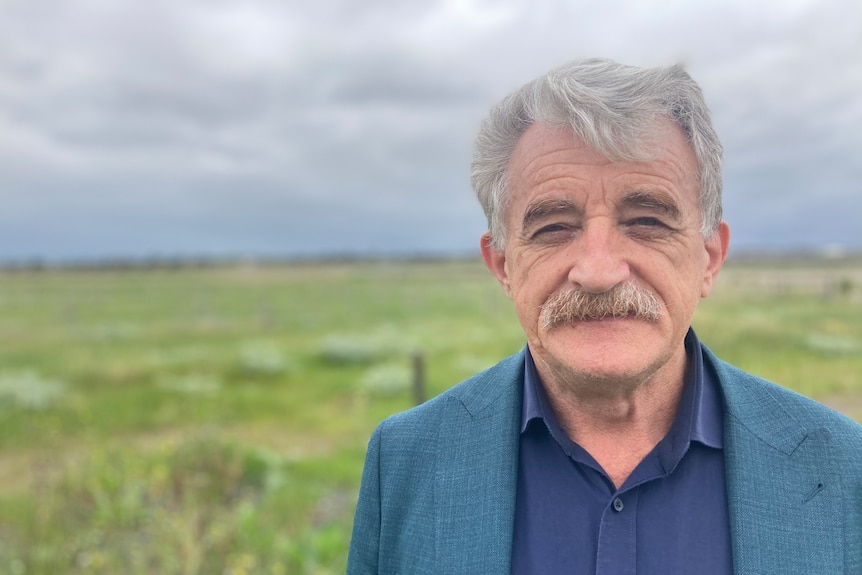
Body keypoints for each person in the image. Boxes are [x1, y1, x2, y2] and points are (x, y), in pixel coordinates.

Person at [346, 58, 862, 574]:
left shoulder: (842, 465)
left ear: (709, 258)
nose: (597, 271)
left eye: (646, 220)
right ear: (503, 265)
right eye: (552, 227)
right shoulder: (405, 461)